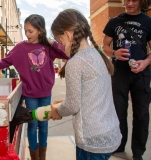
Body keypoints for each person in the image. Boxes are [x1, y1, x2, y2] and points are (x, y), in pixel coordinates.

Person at [0, 14, 68, 160]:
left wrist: (50, 41)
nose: (27, 34)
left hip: (46, 93)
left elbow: (65, 52)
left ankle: (43, 157)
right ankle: (35, 157)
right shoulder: (20, 47)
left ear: (40, 30)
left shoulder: (47, 47)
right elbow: (4, 62)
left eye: (30, 31)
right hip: (30, 94)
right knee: (33, 125)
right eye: (25, 30)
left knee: (44, 126)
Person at [49, 8, 122, 160]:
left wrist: (57, 111)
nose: (61, 46)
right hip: (109, 133)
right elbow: (92, 92)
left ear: (68, 34)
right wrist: (64, 101)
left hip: (91, 140)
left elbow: (73, 105)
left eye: (60, 41)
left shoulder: (76, 62)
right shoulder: (97, 55)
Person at [102, 0, 151, 159]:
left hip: (141, 73)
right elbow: (105, 46)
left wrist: (145, 62)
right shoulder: (114, 21)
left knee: (141, 114)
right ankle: (118, 144)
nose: (130, 3)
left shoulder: (148, 22)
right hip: (120, 73)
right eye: (127, 0)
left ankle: (138, 152)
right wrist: (114, 53)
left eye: (134, 0)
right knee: (118, 112)